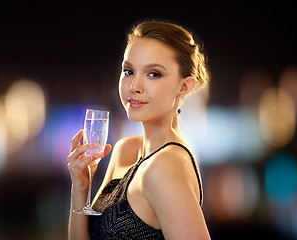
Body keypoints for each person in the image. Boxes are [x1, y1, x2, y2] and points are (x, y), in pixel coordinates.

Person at [67, 20, 211, 239]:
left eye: (153, 74)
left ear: (184, 87)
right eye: (129, 71)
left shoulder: (166, 165)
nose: (135, 86)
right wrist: (80, 188)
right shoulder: (126, 149)